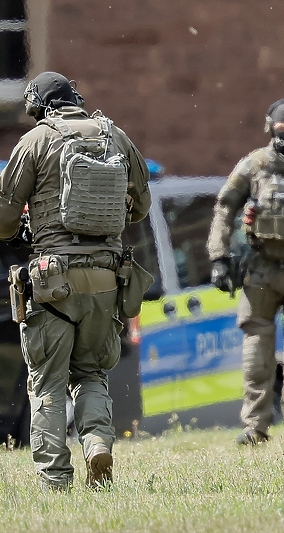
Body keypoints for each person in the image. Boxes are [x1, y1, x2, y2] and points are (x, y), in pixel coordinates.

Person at [0, 71, 151, 491]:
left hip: (52, 281)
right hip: (107, 277)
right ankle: (98, 444)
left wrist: (27, 230)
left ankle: (55, 479)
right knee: (90, 374)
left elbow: (3, 214)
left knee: (47, 381)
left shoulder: (35, 141)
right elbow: (141, 204)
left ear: (40, 108)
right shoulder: (115, 135)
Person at [207, 99, 284, 447]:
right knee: (256, 353)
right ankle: (255, 427)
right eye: (281, 129)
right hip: (261, 268)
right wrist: (219, 256)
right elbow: (224, 207)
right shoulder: (255, 164)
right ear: (268, 127)